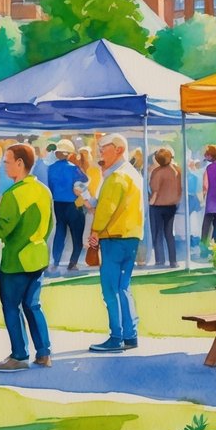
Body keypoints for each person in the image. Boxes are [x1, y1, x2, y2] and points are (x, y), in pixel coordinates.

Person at [0, 144, 53, 371]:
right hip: (37, 256)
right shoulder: (44, 190)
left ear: (20, 163)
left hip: (16, 259)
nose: (4, 166)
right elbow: (49, 226)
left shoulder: (13, 195)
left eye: (7, 161)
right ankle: (44, 352)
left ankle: (19, 354)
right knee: (33, 305)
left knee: (11, 307)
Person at [84, 134, 144, 353]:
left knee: (111, 290)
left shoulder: (116, 177)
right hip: (131, 237)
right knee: (123, 287)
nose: (101, 153)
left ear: (118, 149)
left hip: (114, 238)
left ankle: (117, 336)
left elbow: (105, 210)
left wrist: (95, 233)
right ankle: (130, 335)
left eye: (104, 148)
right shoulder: (132, 174)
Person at [44, 139, 85, 273]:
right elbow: (85, 181)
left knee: (60, 232)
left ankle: (55, 261)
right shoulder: (74, 168)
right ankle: (72, 263)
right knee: (76, 235)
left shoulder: (51, 169)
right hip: (73, 204)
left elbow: (50, 186)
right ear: (69, 154)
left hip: (57, 204)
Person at [148, 148, 182, 269]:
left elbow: (155, 191)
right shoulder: (177, 170)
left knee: (157, 233)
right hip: (172, 205)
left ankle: (160, 260)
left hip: (157, 205)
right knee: (169, 233)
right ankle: (173, 260)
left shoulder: (157, 172)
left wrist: (150, 203)